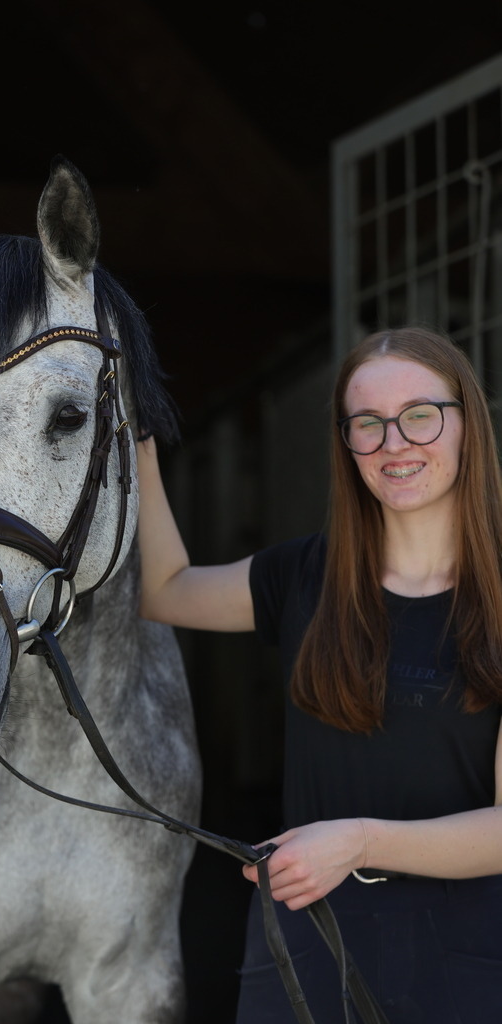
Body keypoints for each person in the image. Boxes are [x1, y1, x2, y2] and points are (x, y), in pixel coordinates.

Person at [136, 325, 502, 1023]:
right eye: (366, 424)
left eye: (419, 415)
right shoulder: (303, 576)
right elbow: (165, 591)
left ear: (465, 423)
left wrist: (358, 840)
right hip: (305, 940)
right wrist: (142, 450)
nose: (394, 443)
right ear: (347, 444)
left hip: (466, 950)